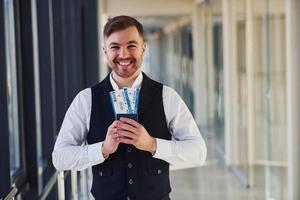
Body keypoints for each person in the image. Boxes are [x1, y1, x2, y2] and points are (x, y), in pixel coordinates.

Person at [52, 15, 207, 200]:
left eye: (131, 46)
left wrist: (152, 144)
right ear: (105, 51)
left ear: (143, 48)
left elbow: (198, 153)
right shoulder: (86, 100)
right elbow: (59, 157)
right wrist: (102, 149)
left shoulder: (167, 96)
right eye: (115, 47)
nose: (123, 55)